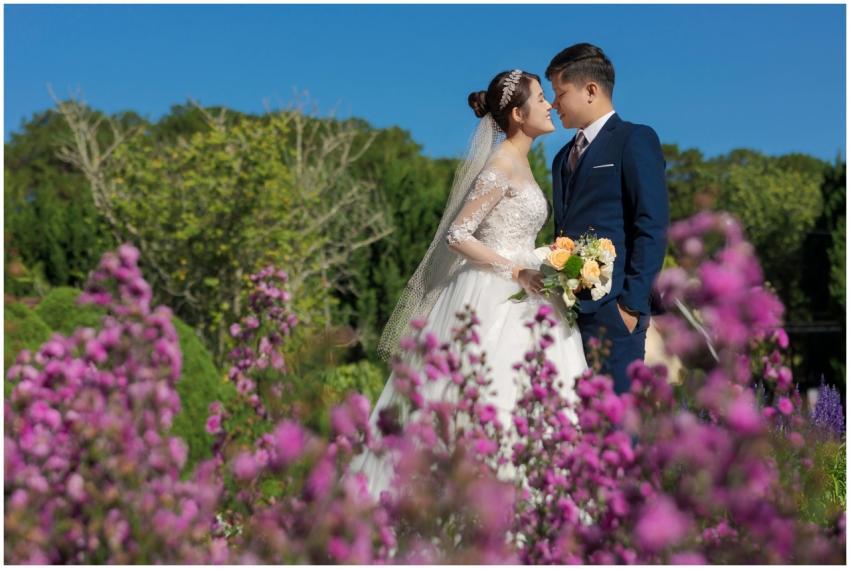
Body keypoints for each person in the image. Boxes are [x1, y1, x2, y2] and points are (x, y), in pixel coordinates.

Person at [350, 69, 588, 498]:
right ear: (518, 114)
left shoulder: (521, 162)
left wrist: (552, 260)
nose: (550, 104)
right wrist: (516, 271)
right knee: (488, 395)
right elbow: (458, 235)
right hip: (496, 290)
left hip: (529, 285)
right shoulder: (500, 165)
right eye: (540, 98)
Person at [547, 43, 669, 395]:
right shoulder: (561, 158)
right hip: (568, 316)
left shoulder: (634, 139)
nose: (553, 104)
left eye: (560, 93)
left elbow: (652, 224)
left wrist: (630, 306)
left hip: (615, 313)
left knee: (615, 422)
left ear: (590, 90)